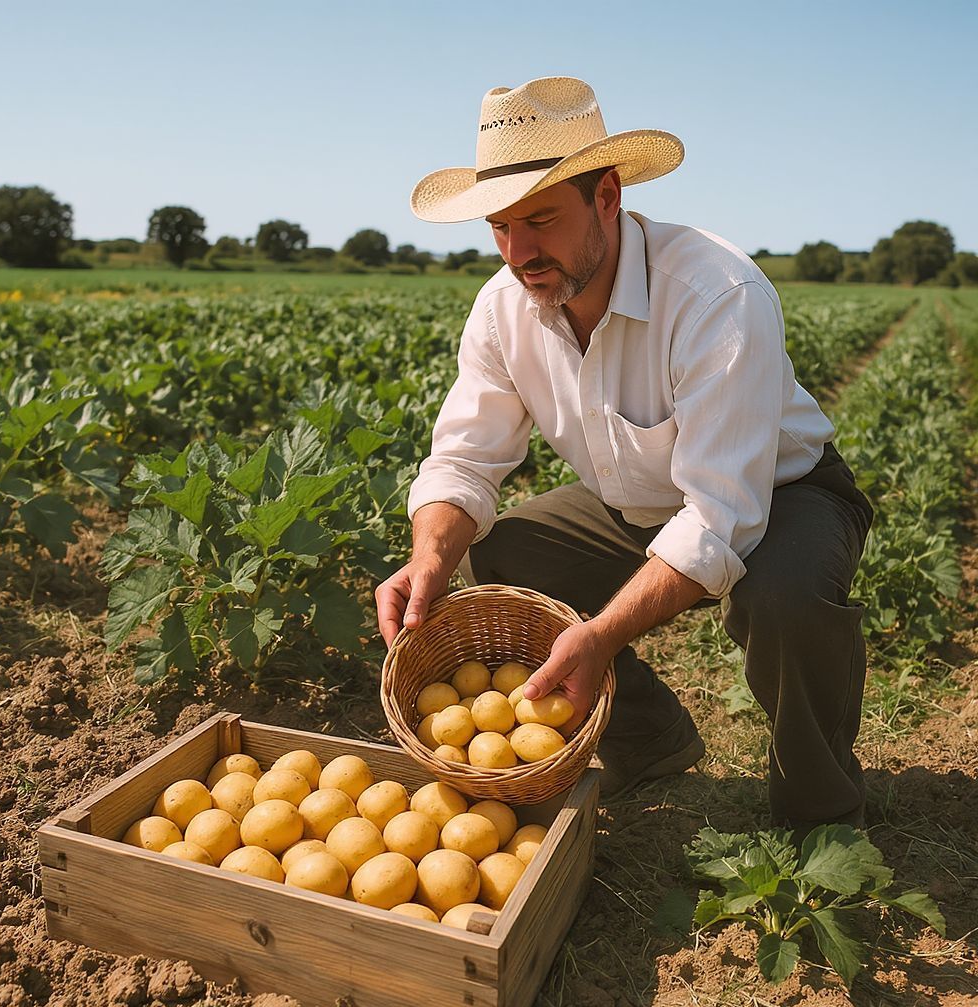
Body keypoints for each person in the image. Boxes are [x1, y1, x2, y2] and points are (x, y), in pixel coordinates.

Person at [374, 77, 873, 830]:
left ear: (607, 195)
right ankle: (652, 738)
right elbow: (465, 461)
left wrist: (602, 635)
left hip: (779, 493)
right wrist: (429, 558)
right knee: (499, 552)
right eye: (500, 228)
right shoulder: (504, 308)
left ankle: (822, 809)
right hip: (637, 502)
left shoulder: (713, 292)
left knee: (784, 599)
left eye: (541, 219)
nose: (519, 252)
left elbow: (722, 513)